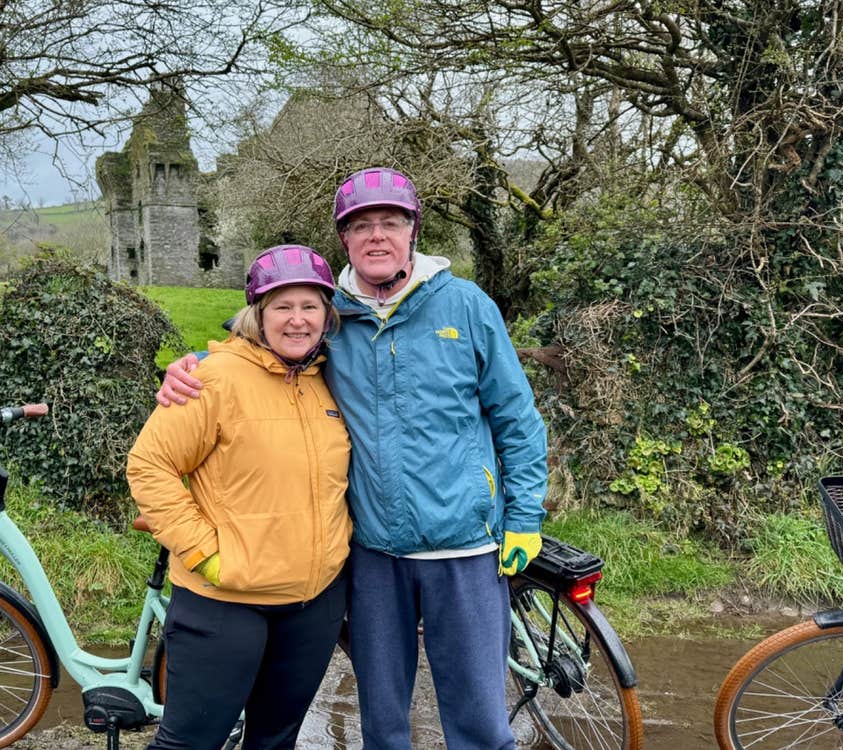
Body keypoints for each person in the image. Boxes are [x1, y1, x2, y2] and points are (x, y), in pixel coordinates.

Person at [158, 167, 548, 749]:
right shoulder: (330, 314)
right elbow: (260, 347)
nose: (377, 236)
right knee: (382, 721)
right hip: (372, 553)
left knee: (481, 723)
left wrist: (524, 516)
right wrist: (191, 364)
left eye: (391, 222)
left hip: (464, 543)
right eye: (361, 226)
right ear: (344, 239)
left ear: (413, 230)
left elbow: (517, 418)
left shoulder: (467, 306)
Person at [127, 244, 353, 750]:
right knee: (191, 742)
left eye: (310, 306)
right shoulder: (213, 378)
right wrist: (203, 551)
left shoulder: (334, 381)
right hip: (225, 602)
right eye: (282, 307)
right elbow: (151, 464)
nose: (297, 320)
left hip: (313, 604)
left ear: (327, 314)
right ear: (257, 313)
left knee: (275, 740)